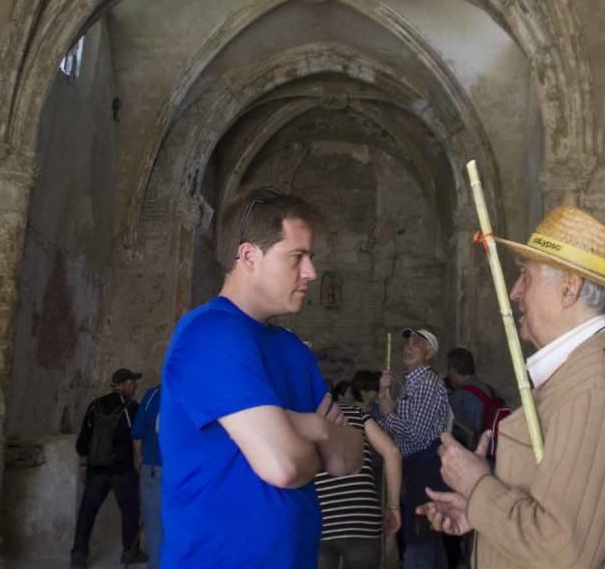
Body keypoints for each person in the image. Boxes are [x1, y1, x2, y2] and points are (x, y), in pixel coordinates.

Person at [418, 206, 605, 568]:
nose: (514, 292)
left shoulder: (600, 383)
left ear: (569, 289)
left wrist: (477, 486)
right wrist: (478, 511)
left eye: (526, 277)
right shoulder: (587, 370)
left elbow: (562, 551)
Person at [160, 190, 364, 568]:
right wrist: (316, 437)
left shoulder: (293, 350)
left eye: (310, 258)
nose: (311, 273)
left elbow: (349, 459)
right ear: (249, 256)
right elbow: (284, 467)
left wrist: (312, 427)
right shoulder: (210, 334)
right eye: (296, 257)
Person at [379, 328, 453, 569]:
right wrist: (383, 393)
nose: (408, 347)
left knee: (420, 539)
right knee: (427, 539)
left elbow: (418, 435)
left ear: (429, 353)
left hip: (424, 468)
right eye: (408, 342)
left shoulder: (428, 384)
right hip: (414, 467)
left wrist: (389, 414)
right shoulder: (411, 385)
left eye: (417, 343)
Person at [70, 368, 148, 568]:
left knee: (87, 513)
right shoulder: (132, 408)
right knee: (130, 511)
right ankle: (129, 552)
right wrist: (139, 459)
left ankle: (78, 556)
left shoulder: (94, 406)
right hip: (122, 471)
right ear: (124, 385)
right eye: (133, 382)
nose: (135, 386)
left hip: (96, 470)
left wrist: (83, 465)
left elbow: (83, 440)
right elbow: (138, 436)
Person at [314, 402, 403, 569]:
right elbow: (392, 452)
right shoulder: (355, 412)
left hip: (320, 520)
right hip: (363, 517)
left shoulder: (300, 416)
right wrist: (393, 506)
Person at [131, 384, 162, 569]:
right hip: (183, 472)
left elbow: (137, 433)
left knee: (154, 525)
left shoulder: (153, 394)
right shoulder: (194, 391)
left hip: (153, 467)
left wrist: (140, 457)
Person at [446, 348, 500, 451]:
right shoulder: (491, 390)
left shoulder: (459, 397)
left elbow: (454, 433)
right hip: (497, 451)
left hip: (477, 455)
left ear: (453, 370)